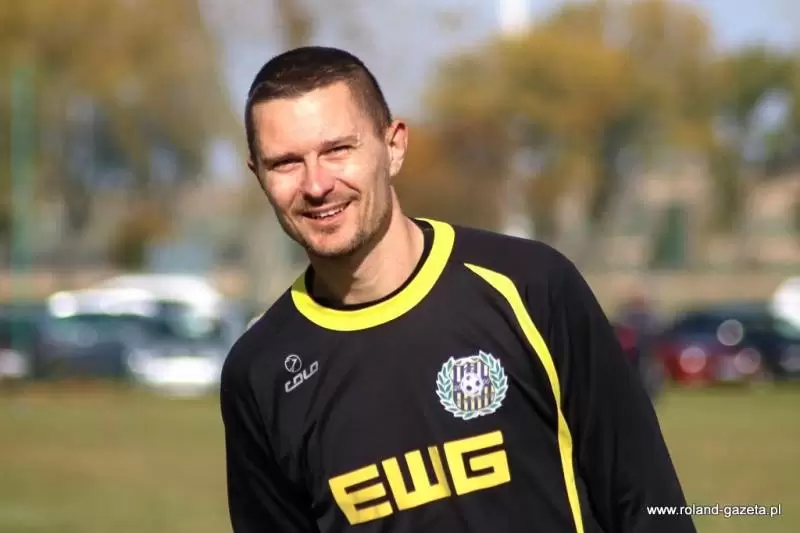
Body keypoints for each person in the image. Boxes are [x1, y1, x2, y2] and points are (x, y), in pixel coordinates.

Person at [219, 45, 695, 533]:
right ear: (258, 175)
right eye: (286, 163)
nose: (317, 185)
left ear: (394, 146)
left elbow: (650, 504)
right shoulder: (259, 372)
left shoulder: (531, 285)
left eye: (337, 150)